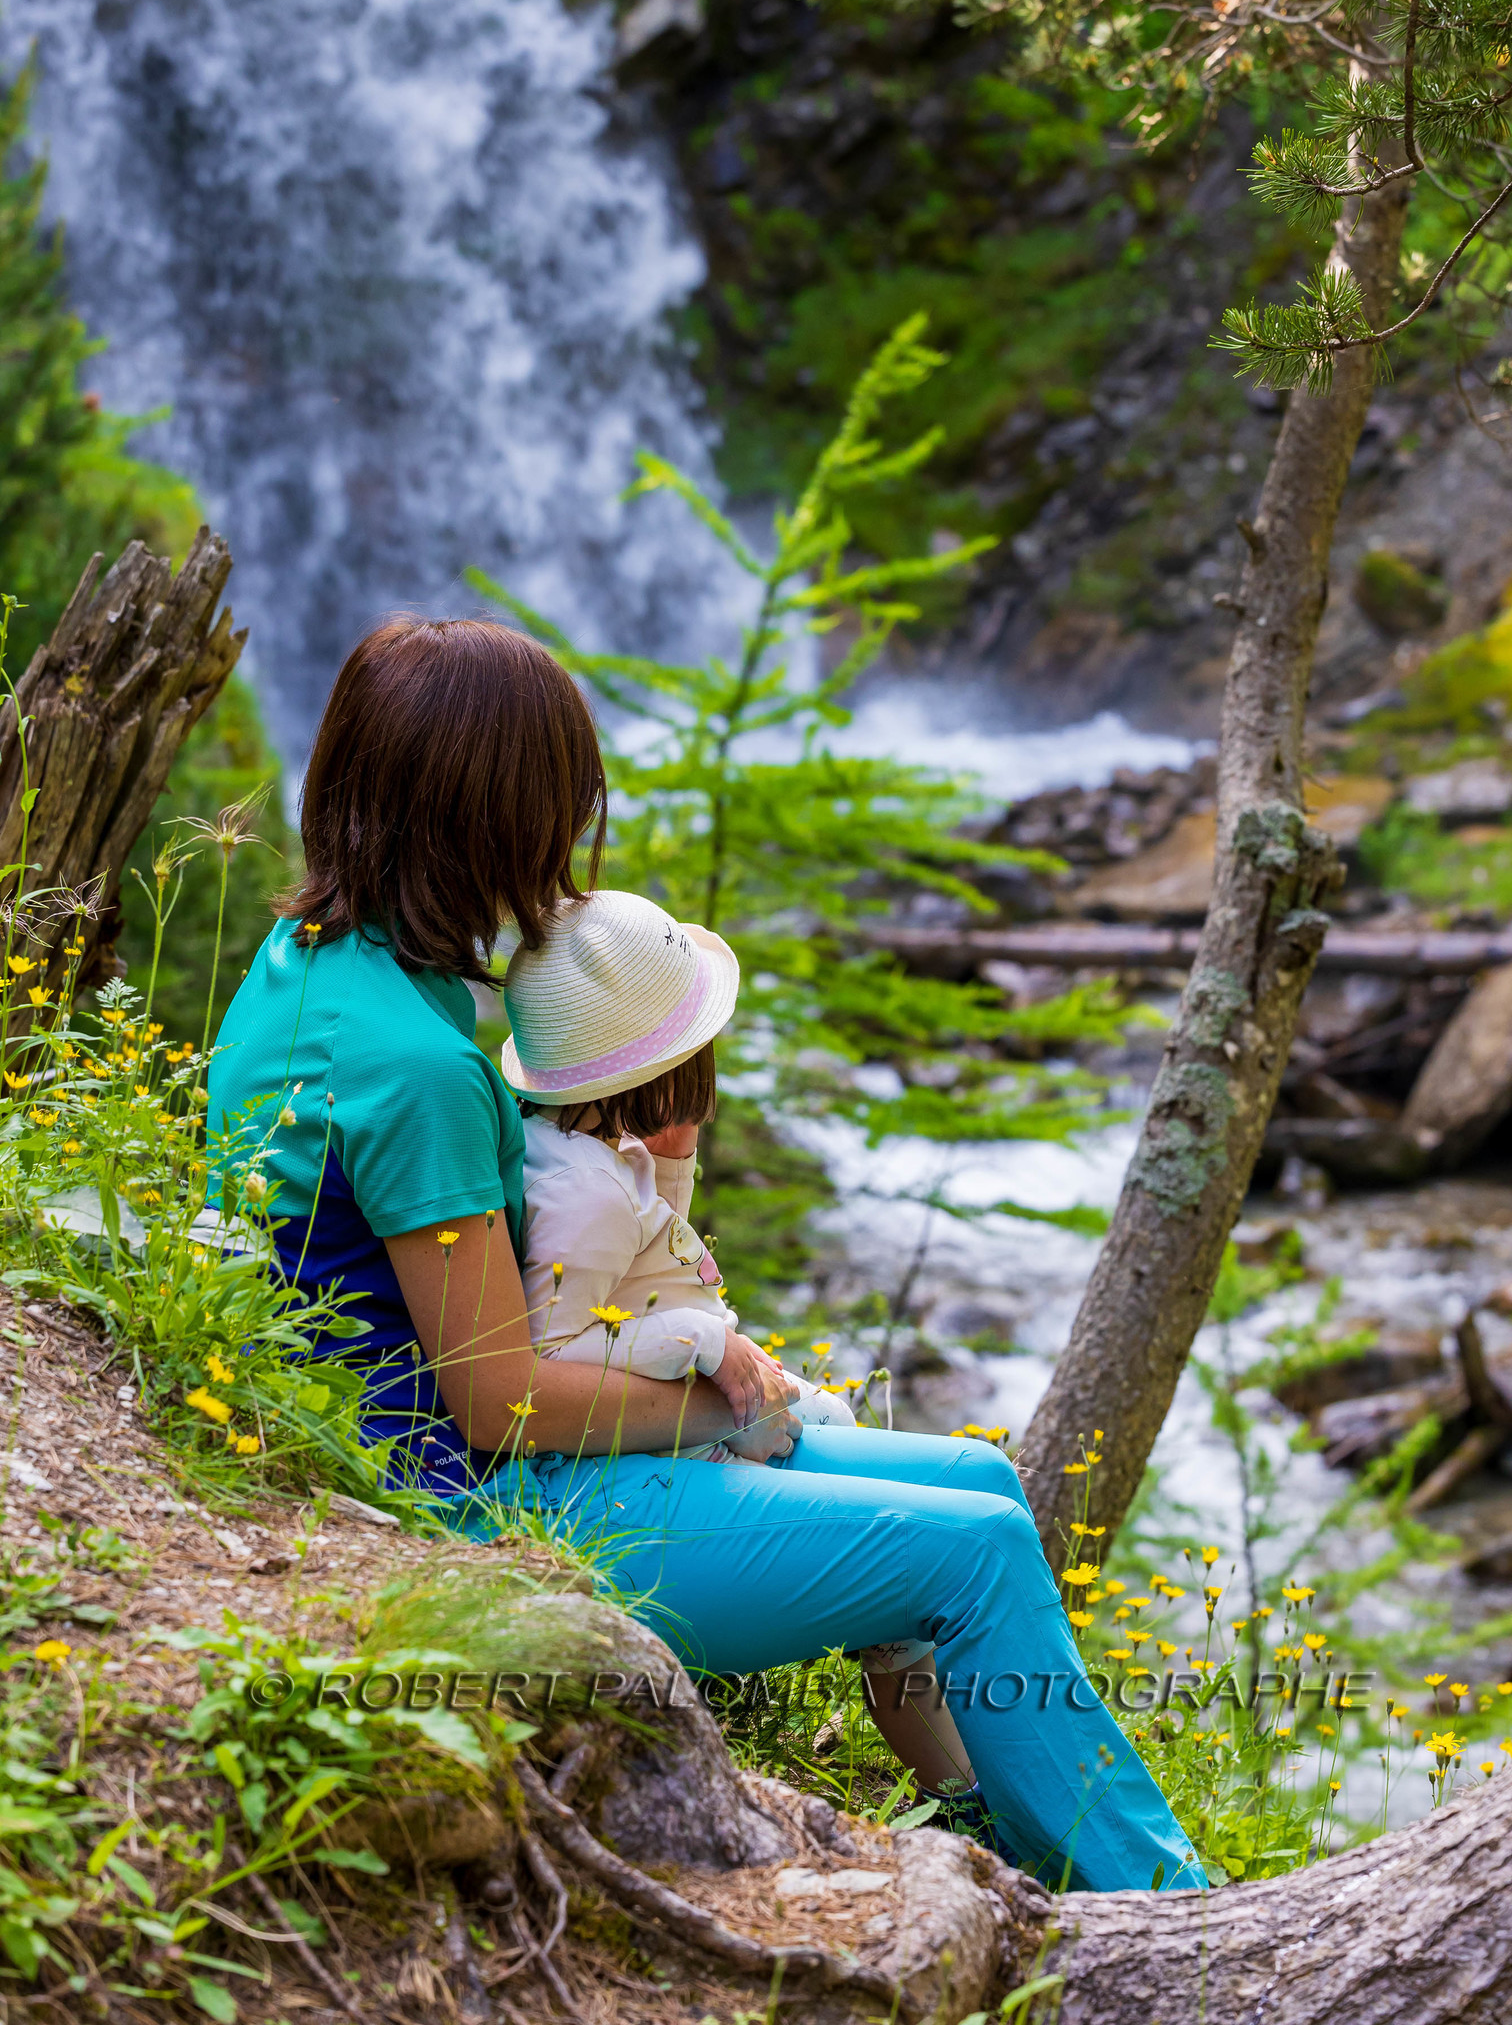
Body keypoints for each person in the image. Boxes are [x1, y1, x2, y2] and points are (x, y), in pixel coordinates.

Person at [207, 614, 1206, 1894]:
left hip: (421, 1453)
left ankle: (1009, 1839)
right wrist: (714, 1392)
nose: (565, 852)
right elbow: (499, 1400)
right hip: (476, 1509)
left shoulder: (303, 968)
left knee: (986, 1489)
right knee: (973, 1555)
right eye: (555, 816)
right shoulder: (417, 1070)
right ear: (487, 825)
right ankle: (1166, 1914)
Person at [504, 887, 854, 1461]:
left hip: (681, 1381)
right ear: (665, 1068)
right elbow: (551, 1356)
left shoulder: (580, 1148)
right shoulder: (588, 1193)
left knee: (834, 1420)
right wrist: (707, 1339)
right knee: (832, 1427)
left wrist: (672, 1156)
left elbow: (646, 1259)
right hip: (665, 1430)